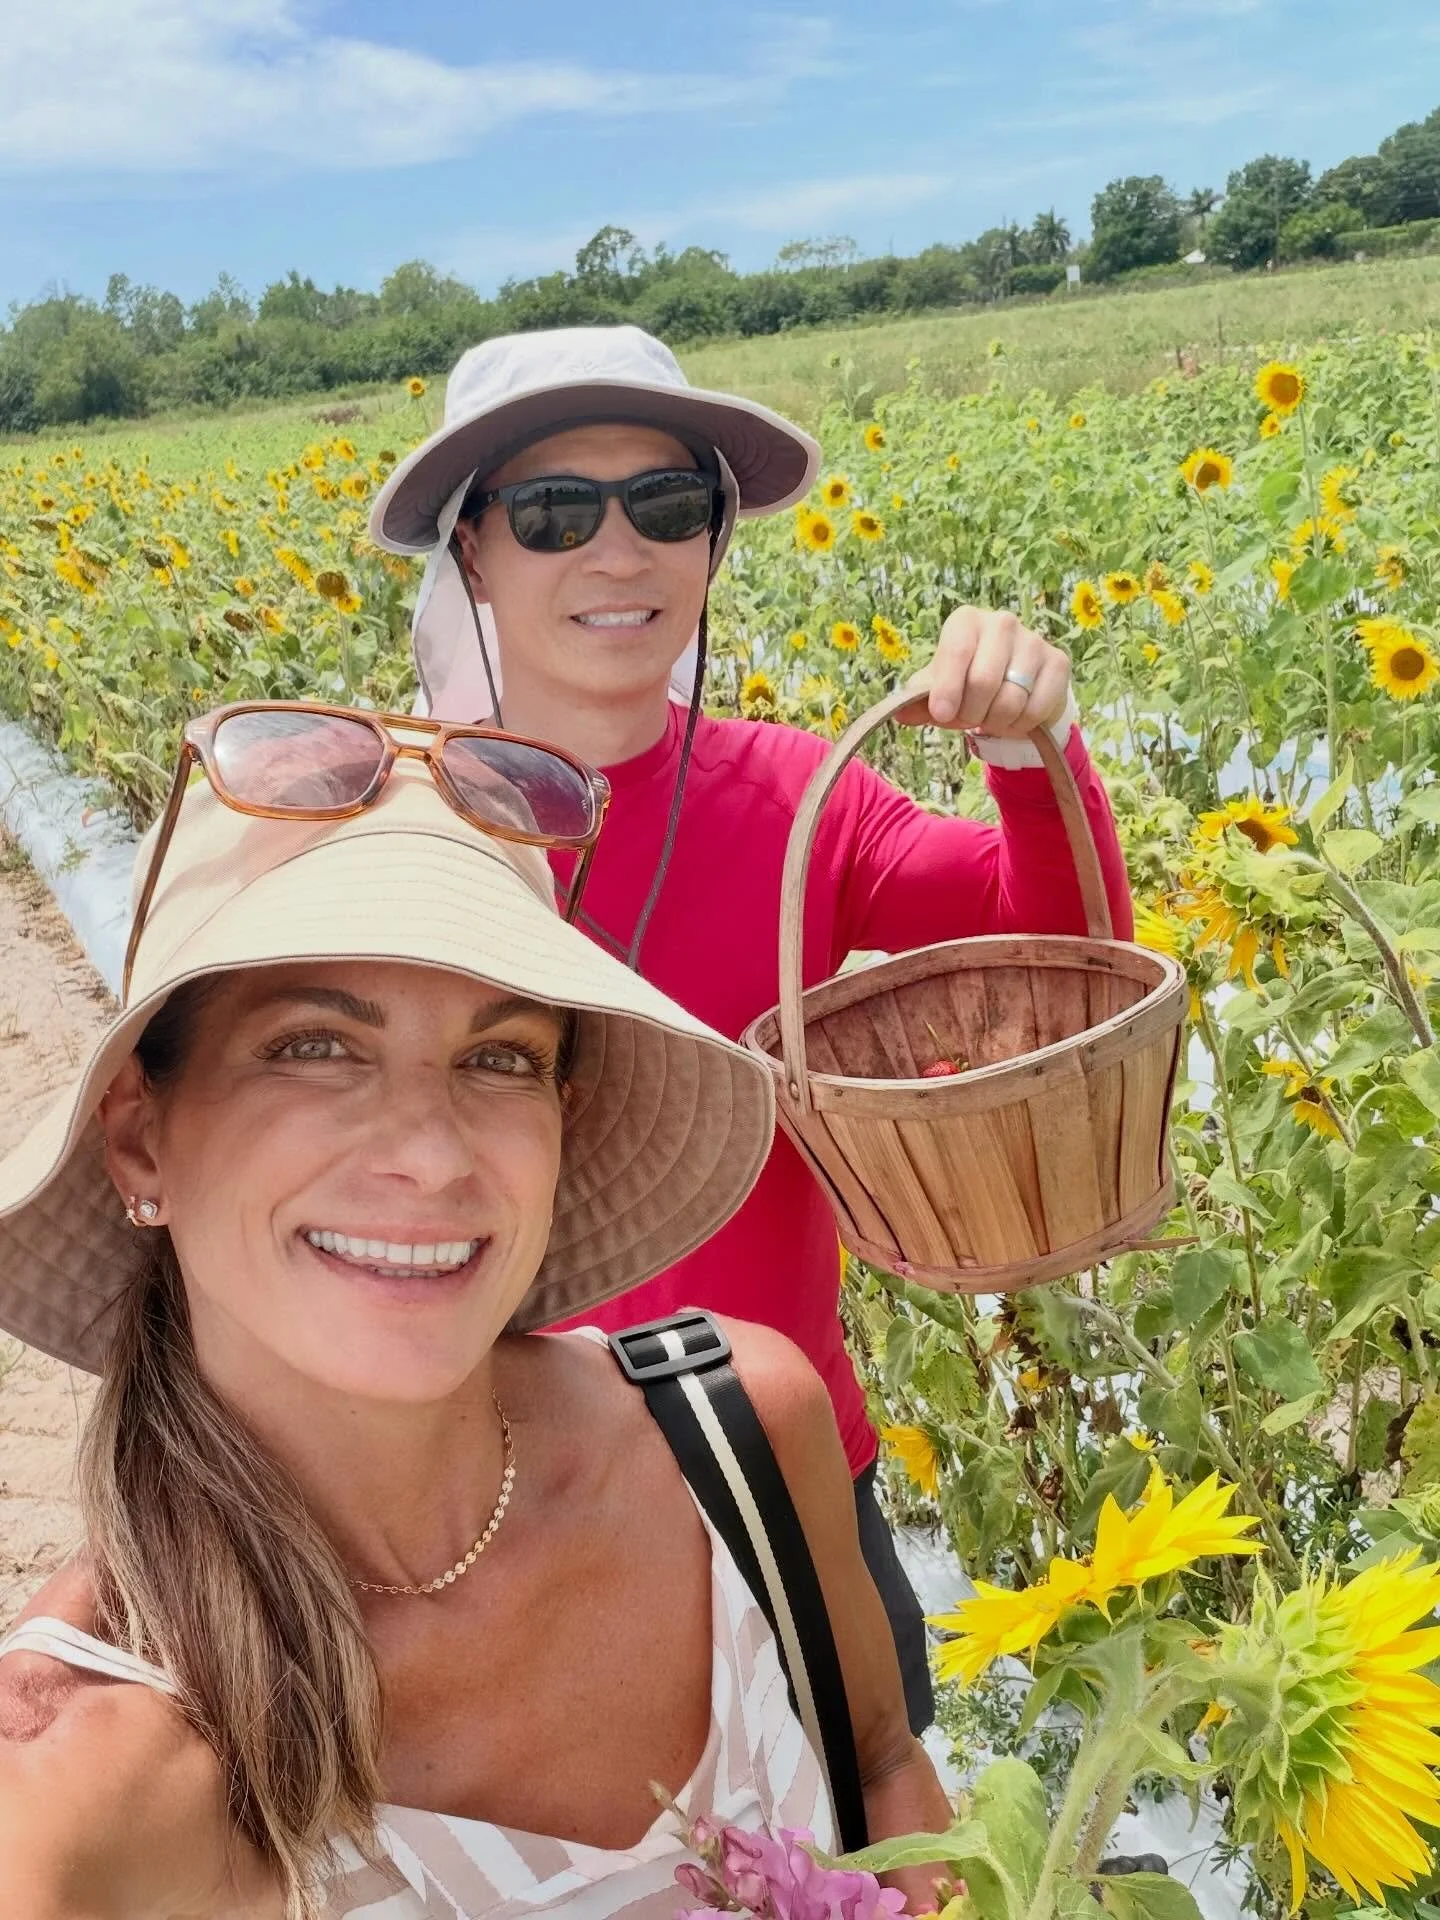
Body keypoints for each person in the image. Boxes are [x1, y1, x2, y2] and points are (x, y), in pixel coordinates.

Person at [0, 703, 952, 1920]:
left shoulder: (735, 1441)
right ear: (141, 1138)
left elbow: (879, 1764)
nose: (431, 1155)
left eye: (499, 1058)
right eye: (314, 1046)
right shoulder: (80, 1779)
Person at [368, 327, 1136, 1734]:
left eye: (668, 504)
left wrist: (1033, 747)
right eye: (555, 511)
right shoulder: (386, 831)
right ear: (471, 550)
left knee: (873, 1824)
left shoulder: (793, 798)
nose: (619, 551)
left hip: (785, 1477)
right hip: (482, 1507)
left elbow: (1063, 953)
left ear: (715, 541)